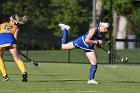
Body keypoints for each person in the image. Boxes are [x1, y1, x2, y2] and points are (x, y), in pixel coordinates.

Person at [58, 19, 109, 84]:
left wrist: (97, 44)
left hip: (89, 46)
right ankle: (65, 29)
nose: (106, 30)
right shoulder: (94, 30)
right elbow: (87, 40)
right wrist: (97, 42)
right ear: (101, 26)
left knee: (94, 61)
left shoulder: (102, 33)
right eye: (105, 28)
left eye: (107, 28)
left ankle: (91, 80)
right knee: (63, 47)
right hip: (81, 42)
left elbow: (95, 41)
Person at [0, 14, 28, 82]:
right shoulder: (16, 27)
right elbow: (15, 38)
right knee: (17, 58)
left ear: (10, 19)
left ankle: (5, 76)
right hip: (11, 39)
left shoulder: (2, 24)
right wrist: (17, 48)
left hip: (1, 39)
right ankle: (24, 72)